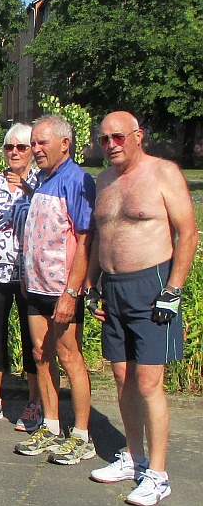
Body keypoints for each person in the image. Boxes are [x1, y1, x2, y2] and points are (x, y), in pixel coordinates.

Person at [85, 111, 197, 505]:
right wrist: (91, 286)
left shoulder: (162, 173)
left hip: (152, 287)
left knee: (149, 383)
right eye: (104, 139)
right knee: (121, 378)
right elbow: (101, 237)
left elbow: (188, 232)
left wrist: (173, 290)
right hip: (112, 288)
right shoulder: (104, 181)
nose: (111, 144)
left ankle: (159, 474)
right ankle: (133, 457)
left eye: (118, 137)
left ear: (138, 136)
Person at [14, 114, 96, 465]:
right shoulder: (42, 179)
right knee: (40, 353)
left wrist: (72, 292)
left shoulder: (78, 180)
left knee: (69, 356)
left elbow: (84, 238)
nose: (35, 148)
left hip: (62, 288)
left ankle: (81, 435)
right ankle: (51, 423)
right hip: (35, 286)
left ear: (65, 143)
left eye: (41, 142)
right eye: (33, 142)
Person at [0, 123, 42, 431]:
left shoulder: (42, 181)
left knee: (34, 340)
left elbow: (48, 216)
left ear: (32, 149)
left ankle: (35, 400)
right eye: (9, 147)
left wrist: (27, 189)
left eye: (22, 147)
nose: (15, 152)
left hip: (31, 275)